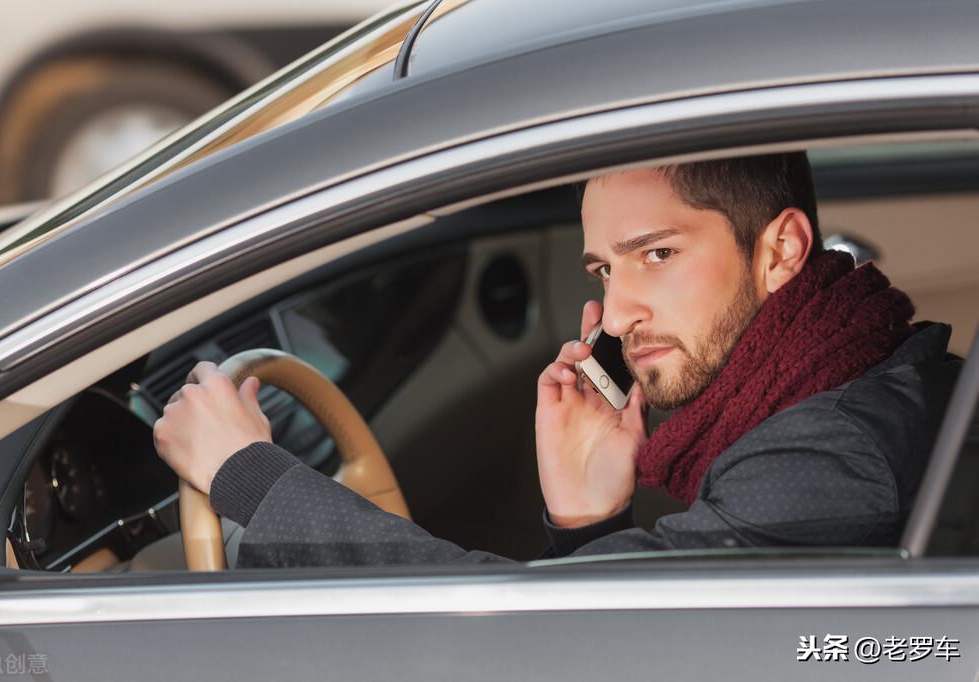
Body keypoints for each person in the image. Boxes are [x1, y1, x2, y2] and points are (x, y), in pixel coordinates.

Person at [153, 152, 961, 568]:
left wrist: (249, 479)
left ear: (780, 248)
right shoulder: (853, 380)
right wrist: (586, 523)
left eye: (655, 254)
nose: (614, 314)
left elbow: (517, 640)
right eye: (604, 270)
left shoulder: (828, 460)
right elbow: (633, 646)